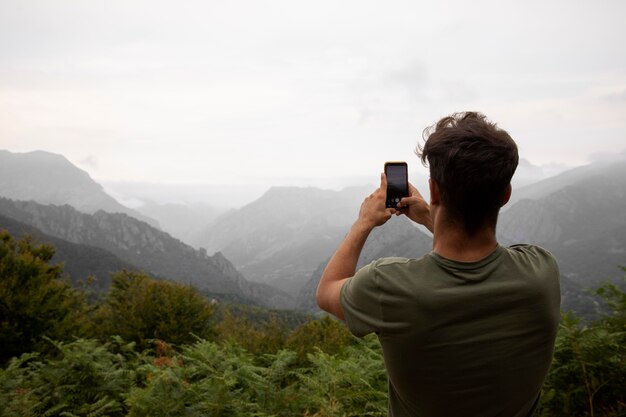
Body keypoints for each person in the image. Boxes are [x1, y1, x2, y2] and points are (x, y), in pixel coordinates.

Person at [316, 112, 561, 417]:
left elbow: (326, 291)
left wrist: (364, 221)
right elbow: (479, 252)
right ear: (505, 195)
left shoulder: (388, 286)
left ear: (434, 190)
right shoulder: (541, 275)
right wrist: (429, 217)